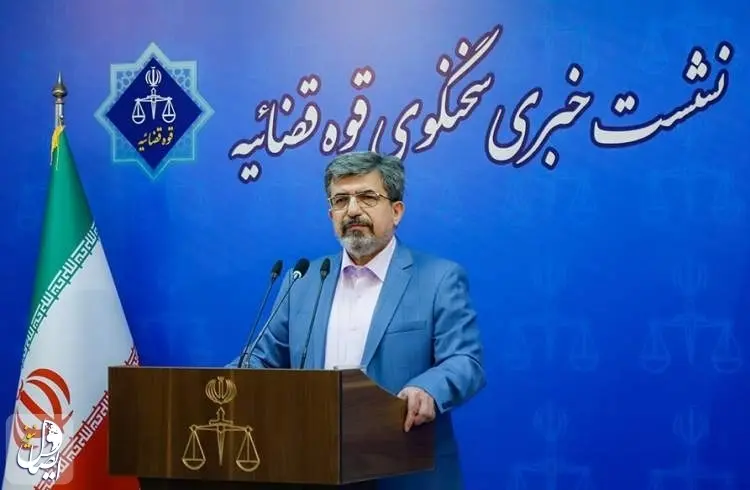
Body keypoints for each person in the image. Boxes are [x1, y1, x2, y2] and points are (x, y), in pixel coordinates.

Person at [231, 151, 485, 490]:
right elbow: (260, 360)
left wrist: (428, 388)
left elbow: (465, 360)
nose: (352, 210)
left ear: (396, 211)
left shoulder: (439, 278)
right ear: (331, 214)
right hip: (313, 468)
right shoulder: (303, 280)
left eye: (367, 197)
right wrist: (220, 387)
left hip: (405, 470)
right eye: (341, 200)